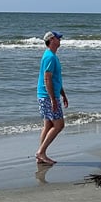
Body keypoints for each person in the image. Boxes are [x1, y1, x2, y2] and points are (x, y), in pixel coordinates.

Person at [36, 31, 68, 165]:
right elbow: (47, 78)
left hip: (47, 95)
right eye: (58, 38)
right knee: (59, 125)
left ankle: (40, 154)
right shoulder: (49, 56)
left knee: (48, 124)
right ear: (51, 39)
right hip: (47, 96)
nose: (60, 40)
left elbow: (55, 79)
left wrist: (63, 94)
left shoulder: (52, 56)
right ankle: (41, 152)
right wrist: (53, 99)